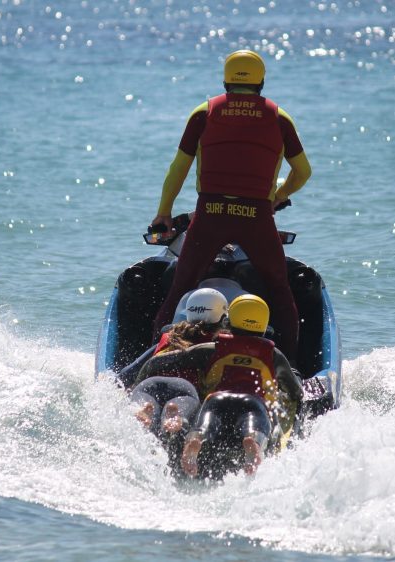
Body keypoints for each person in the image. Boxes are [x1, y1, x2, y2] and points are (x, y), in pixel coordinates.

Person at [150, 49, 312, 361]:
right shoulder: (280, 117)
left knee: (179, 288)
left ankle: (156, 359)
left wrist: (164, 213)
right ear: (261, 81)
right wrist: (277, 197)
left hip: (210, 215)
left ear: (226, 81)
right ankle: (291, 366)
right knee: (280, 290)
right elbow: (303, 172)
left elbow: (178, 168)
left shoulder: (204, 112)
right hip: (256, 217)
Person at [141, 293, 303, 478]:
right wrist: (296, 382)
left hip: (215, 400)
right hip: (253, 402)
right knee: (255, 425)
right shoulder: (274, 355)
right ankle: (253, 442)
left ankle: (196, 440)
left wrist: (144, 374)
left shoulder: (213, 348)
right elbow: (294, 391)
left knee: (204, 425)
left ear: (228, 321)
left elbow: (165, 361)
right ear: (265, 326)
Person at [130, 288, 228, 444]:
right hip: (184, 388)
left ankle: (146, 409)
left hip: (148, 384)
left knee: (145, 404)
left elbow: (132, 369)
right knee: (178, 414)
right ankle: (176, 413)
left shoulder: (170, 335)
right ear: (223, 318)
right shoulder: (218, 344)